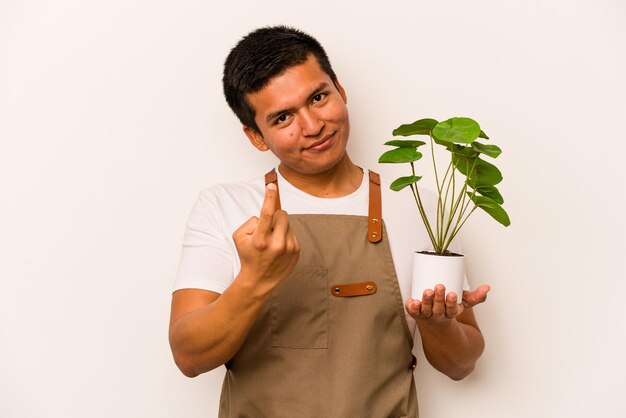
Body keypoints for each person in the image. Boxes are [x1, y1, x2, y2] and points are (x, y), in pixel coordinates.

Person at [169, 25, 490, 417]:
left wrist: (439, 325)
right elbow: (188, 356)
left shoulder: (413, 206)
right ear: (256, 136)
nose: (313, 126)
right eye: (283, 117)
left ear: (340, 89)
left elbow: (461, 365)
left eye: (319, 97)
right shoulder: (224, 207)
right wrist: (254, 278)